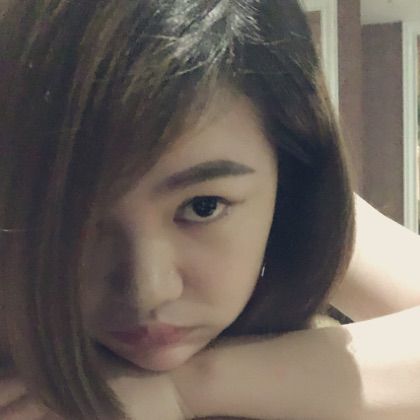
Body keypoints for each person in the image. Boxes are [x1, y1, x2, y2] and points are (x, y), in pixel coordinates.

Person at [0, 0, 419, 419]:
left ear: (289, 178)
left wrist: (186, 387)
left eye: (202, 207)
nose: (147, 290)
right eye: (76, 220)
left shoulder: (297, 200)